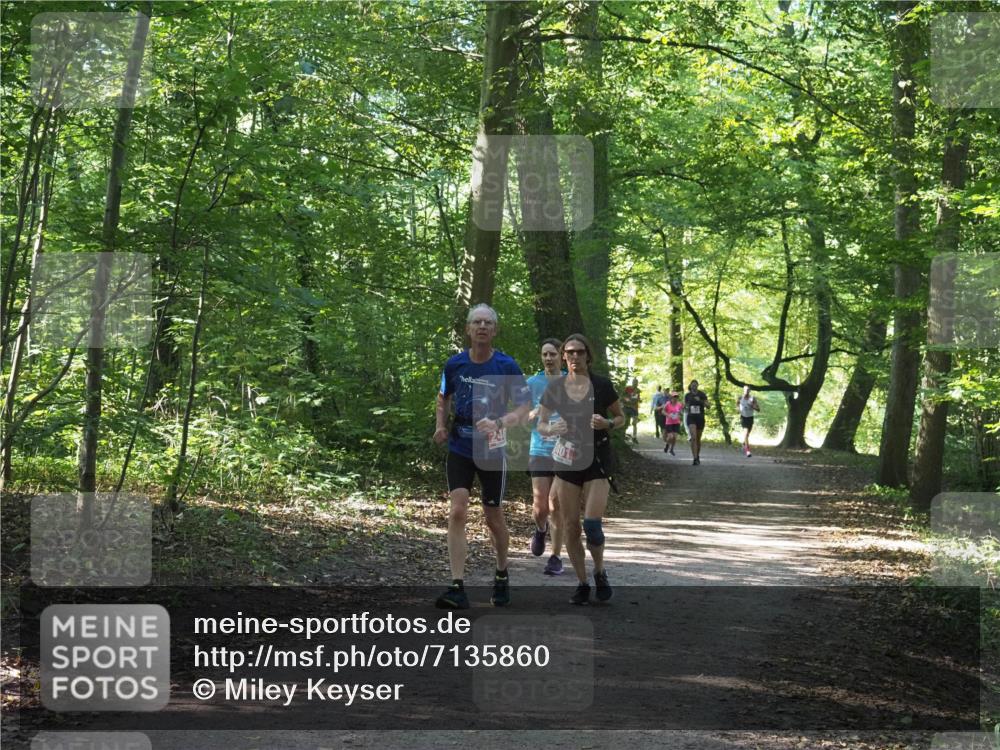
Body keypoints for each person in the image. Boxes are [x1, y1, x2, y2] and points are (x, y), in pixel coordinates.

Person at [433, 304, 531, 609]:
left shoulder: (506, 365)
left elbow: (524, 406)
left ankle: (501, 572)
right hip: (460, 445)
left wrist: (501, 422)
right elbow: (442, 397)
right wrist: (440, 426)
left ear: (495, 330)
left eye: (488, 322)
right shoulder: (455, 364)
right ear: (468, 329)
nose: (482, 327)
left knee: (493, 517)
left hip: (492, 448)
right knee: (457, 511)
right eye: (477, 322)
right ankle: (457, 585)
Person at [536, 334, 625, 605]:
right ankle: (583, 582)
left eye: (580, 352)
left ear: (588, 355)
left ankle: (600, 572)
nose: (575, 357)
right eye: (570, 352)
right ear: (564, 356)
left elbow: (622, 417)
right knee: (571, 526)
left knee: (592, 525)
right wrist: (552, 428)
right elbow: (540, 424)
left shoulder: (601, 384)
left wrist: (607, 424)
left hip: (598, 459)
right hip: (567, 460)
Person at [526, 338, 566, 575]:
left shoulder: (572, 381)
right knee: (540, 507)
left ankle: (556, 556)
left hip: (565, 451)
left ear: (561, 356)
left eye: (553, 354)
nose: (549, 358)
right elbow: (520, 415)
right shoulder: (532, 383)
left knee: (556, 504)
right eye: (545, 355)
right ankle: (540, 530)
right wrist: (535, 412)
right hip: (539, 449)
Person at [684, 379, 709, 465]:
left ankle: (697, 456)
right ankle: (694, 458)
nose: (694, 386)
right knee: (693, 437)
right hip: (691, 418)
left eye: (695, 384)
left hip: (700, 418)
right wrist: (684, 409)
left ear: (697, 385)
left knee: (698, 439)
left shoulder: (702, 394)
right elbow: (686, 406)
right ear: (690, 386)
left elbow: (708, 406)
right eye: (692, 385)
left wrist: (700, 401)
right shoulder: (687, 395)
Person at [737, 385, 761, 457]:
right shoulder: (740, 398)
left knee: (747, 434)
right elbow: (737, 405)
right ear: (743, 390)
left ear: (750, 391)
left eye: (748, 390)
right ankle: (748, 451)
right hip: (743, 417)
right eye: (745, 390)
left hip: (750, 418)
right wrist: (738, 410)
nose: (746, 391)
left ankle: (744, 444)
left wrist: (752, 406)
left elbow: (758, 409)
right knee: (746, 433)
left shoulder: (752, 398)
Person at [661, 391, 683, 456]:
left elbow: (681, 412)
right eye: (674, 397)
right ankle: (667, 445)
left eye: (676, 397)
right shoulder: (668, 404)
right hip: (669, 423)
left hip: (676, 422)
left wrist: (680, 415)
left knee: (675, 437)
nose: (675, 398)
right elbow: (663, 411)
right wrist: (668, 415)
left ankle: (671, 450)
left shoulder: (679, 404)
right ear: (671, 398)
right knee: (670, 437)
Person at [622, 378, 640, 443]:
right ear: (632, 382)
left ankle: (634, 437)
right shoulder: (627, 388)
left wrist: (635, 400)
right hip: (626, 408)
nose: (636, 384)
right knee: (625, 422)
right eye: (634, 382)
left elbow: (636, 399)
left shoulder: (637, 390)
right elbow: (622, 396)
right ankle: (623, 435)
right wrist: (627, 400)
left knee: (634, 423)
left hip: (634, 408)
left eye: (637, 382)